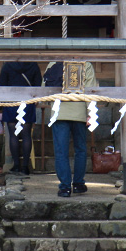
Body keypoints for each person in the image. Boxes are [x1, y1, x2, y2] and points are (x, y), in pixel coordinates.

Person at [44, 60, 97, 197]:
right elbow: (91, 90)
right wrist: (91, 113)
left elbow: (45, 88)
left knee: (61, 151)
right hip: (79, 113)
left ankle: (65, 187)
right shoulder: (86, 64)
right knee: (80, 149)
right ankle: (78, 183)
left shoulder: (53, 64)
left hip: (59, 113)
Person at [0, 61, 42, 176]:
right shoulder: (33, 65)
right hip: (27, 102)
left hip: (11, 102)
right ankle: (25, 167)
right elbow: (38, 84)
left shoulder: (7, 65)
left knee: (13, 135)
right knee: (27, 134)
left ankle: (16, 165)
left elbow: (2, 86)